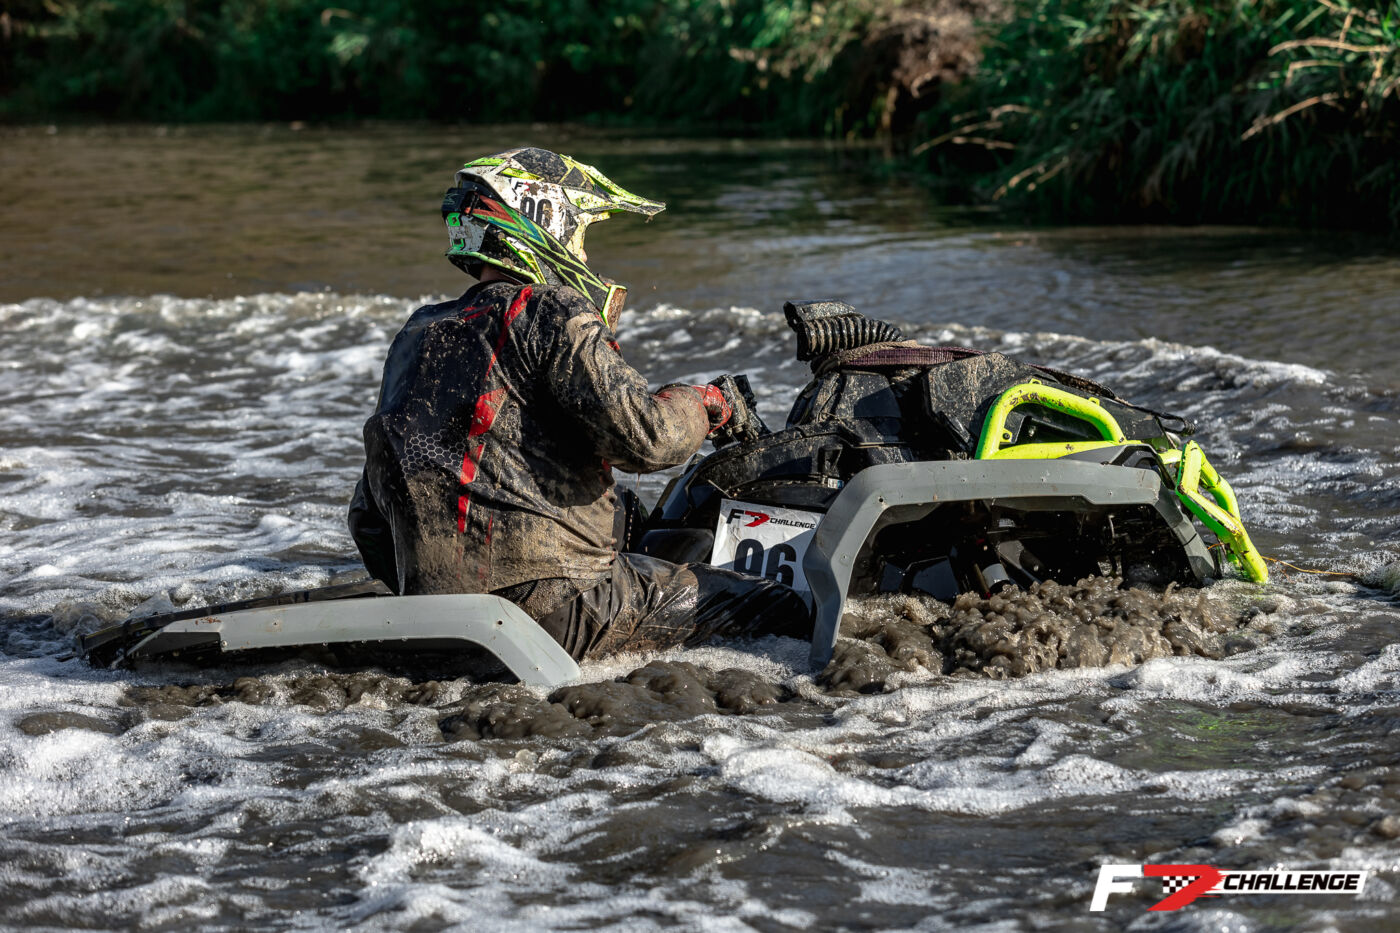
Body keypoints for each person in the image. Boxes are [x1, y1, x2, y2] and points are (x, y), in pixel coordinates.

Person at [348, 148, 811, 660]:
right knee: (779, 605)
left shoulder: (419, 331)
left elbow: (369, 518)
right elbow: (650, 439)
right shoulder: (548, 308)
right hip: (554, 611)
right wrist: (706, 402)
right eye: (581, 238)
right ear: (544, 222)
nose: (584, 258)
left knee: (624, 513)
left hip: (434, 621)